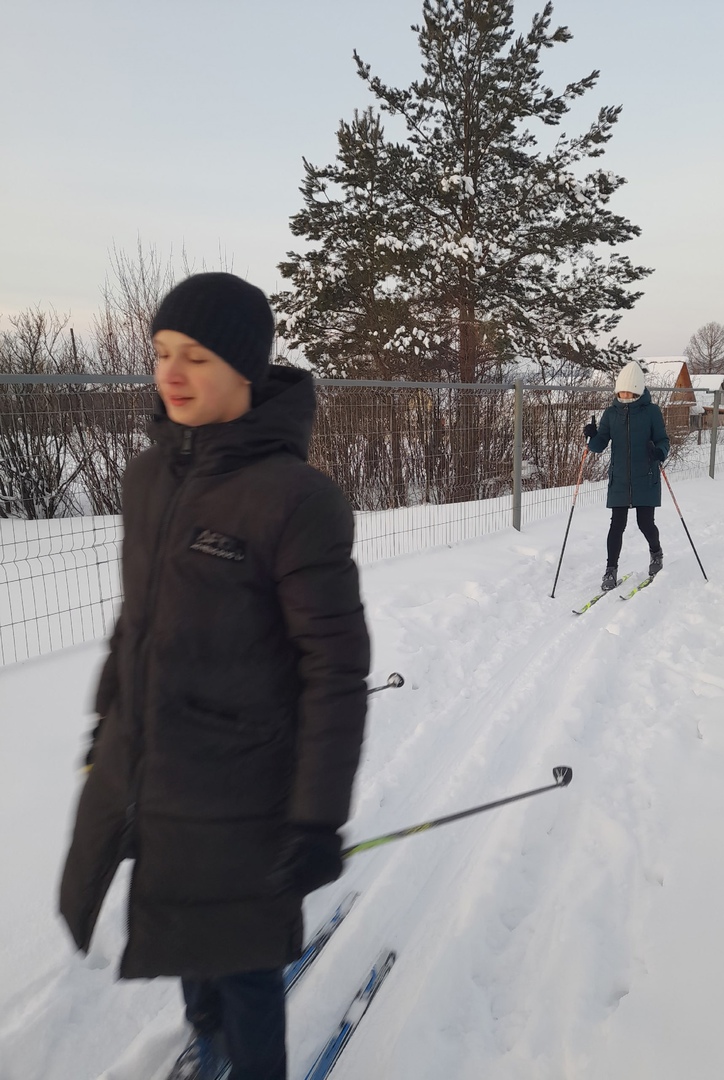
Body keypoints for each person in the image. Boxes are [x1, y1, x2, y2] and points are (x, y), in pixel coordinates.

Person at [59, 272, 371, 1080]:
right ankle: (207, 1041)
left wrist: (317, 819)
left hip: (246, 790)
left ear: (246, 370)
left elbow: (335, 669)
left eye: (195, 356)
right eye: (162, 352)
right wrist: (106, 725)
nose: (170, 372)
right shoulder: (146, 478)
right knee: (185, 941)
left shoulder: (296, 500)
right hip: (159, 773)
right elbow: (136, 623)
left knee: (241, 965)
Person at [583, 360, 669, 591]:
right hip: (620, 478)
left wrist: (659, 452)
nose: (625, 396)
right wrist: (591, 437)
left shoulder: (651, 412)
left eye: (629, 392)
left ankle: (656, 553)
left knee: (645, 523)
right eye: (621, 391)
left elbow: (663, 440)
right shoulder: (611, 413)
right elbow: (599, 445)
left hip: (646, 476)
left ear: (638, 391)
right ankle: (610, 570)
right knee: (616, 525)